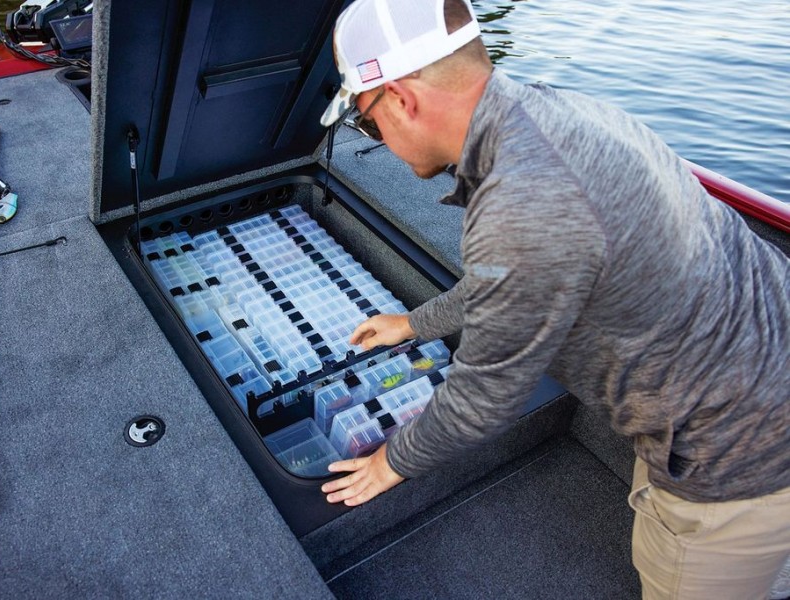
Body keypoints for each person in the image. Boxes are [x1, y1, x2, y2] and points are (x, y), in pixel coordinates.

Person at [317, 0, 790, 598]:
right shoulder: (550, 112)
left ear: (401, 99)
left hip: (738, 448)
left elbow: (482, 397)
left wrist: (390, 462)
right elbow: (514, 278)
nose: (377, 139)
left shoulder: (522, 201)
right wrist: (415, 324)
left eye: (367, 122)